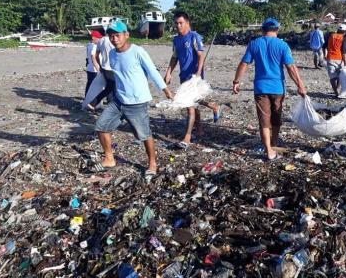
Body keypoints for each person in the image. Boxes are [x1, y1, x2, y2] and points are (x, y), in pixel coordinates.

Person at [94, 20, 173, 179]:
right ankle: (109, 158)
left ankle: (152, 164)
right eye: (111, 36)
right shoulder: (112, 54)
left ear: (126, 35)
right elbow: (118, 75)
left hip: (137, 103)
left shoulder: (138, 51)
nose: (114, 39)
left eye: (117, 35)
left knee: (144, 135)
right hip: (118, 101)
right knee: (101, 126)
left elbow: (152, 71)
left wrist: (166, 91)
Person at [232, 17, 306, 160]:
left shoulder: (254, 44)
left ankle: (269, 150)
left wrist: (236, 81)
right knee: (276, 116)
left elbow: (244, 64)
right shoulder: (283, 46)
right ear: (277, 30)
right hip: (278, 87)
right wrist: (300, 86)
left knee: (264, 120)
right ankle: (274, 141)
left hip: (260, 88)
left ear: (263, 30)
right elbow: (290, 67)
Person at [164, 11, 222, 149]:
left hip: (194, 77)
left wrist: (198, 72)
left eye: (181, 23)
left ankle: (187, 137)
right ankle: (210, 111)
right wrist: (168, 73)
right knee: (194, 101)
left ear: (187, 23)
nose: (178, 26)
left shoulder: (194, 37)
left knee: (189, 106)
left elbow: (200, 55)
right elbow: (174, 57)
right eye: (176, 23)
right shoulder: (176, 40)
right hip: (183, 75)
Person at [323, 23, 346, 96]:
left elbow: (324, 47)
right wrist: (345, 63)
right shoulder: (343, 38)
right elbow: (343, 52)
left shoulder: (330, 36)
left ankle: (335, 91)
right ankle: (337, 89)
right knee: (340, 75)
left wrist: (325, 55)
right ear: (344, 31)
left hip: (330, 58)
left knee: (332, 76)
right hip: (339, 59)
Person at [94, 32, 116, 107]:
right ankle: (95, 101)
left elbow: (96, 55)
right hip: (112, 68)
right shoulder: (113, 40)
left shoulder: (101, 41)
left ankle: (109, 103)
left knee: (109, 87)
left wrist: (100, 65)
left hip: (104, 67)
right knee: (112, 88)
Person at [85, 31, 102, 97]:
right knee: (94, 86)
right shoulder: (94, 46)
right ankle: (91, 100)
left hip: (89, 68)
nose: (99, 39)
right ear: (93, 38)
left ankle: (87, 97)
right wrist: (98, 69)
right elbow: (93, 57)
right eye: (98, 38)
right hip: (94, 69)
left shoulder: (88, 44)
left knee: (89, 84)